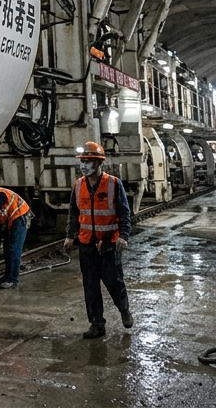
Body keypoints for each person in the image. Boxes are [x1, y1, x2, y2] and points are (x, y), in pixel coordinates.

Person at [67, 141, 133, 339]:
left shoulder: (113, 183)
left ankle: (124, 309)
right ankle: (97, 324)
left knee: (114, 282)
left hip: (109, 244)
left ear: (98, 163)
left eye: (88, 161)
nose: (84, 165)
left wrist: (123, 236)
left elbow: (124, 212)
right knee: (90, 286)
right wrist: (70, 236)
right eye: (82, 161)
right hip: (87, 244)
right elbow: (73, 212)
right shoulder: (78, 186)